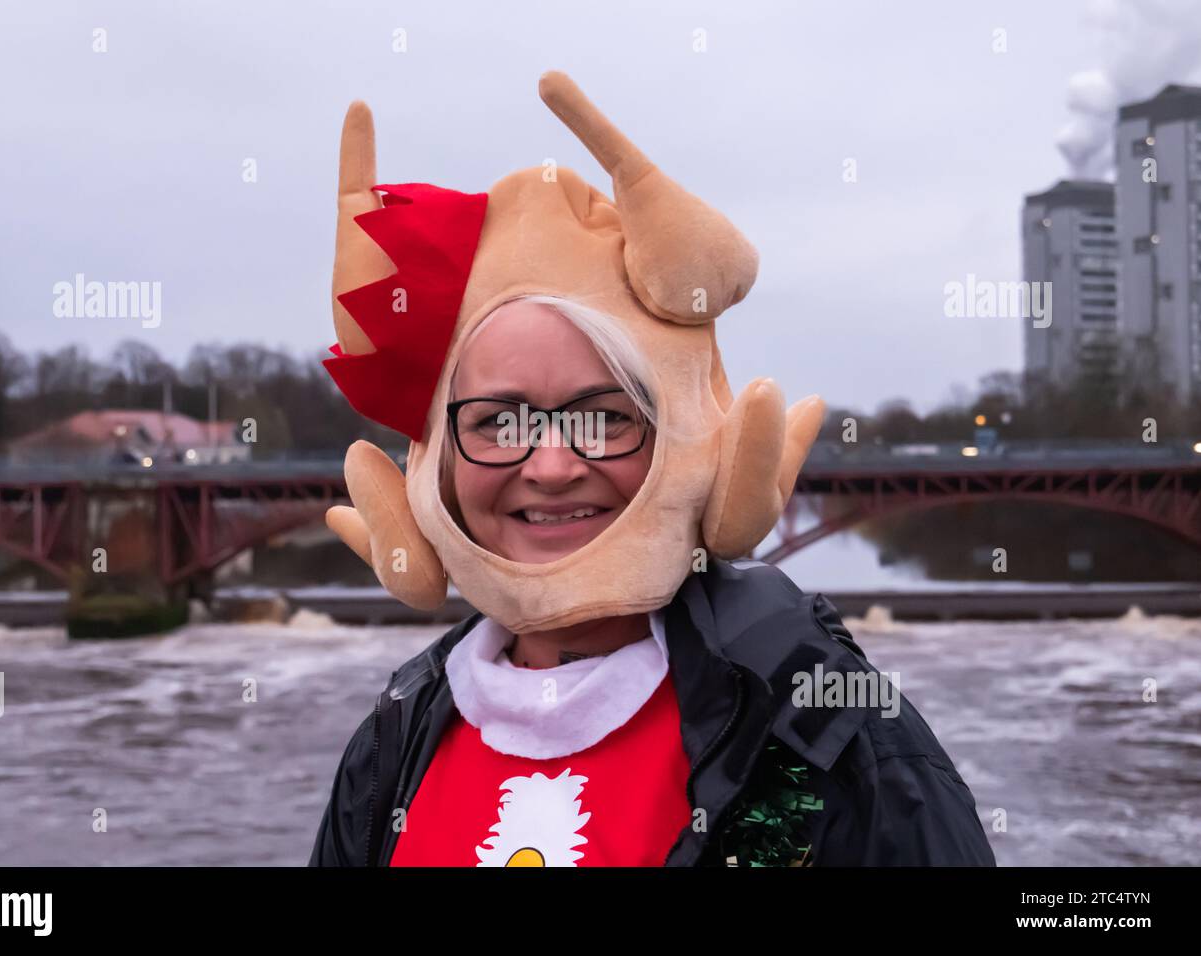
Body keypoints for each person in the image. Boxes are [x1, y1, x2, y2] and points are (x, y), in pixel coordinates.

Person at [308, 72, 996, 867]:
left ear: (680, 443)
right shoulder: (392, 745)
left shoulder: (827, 732)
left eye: (603, 417)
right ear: (436, 469)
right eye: (499, 421)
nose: (554, 464)